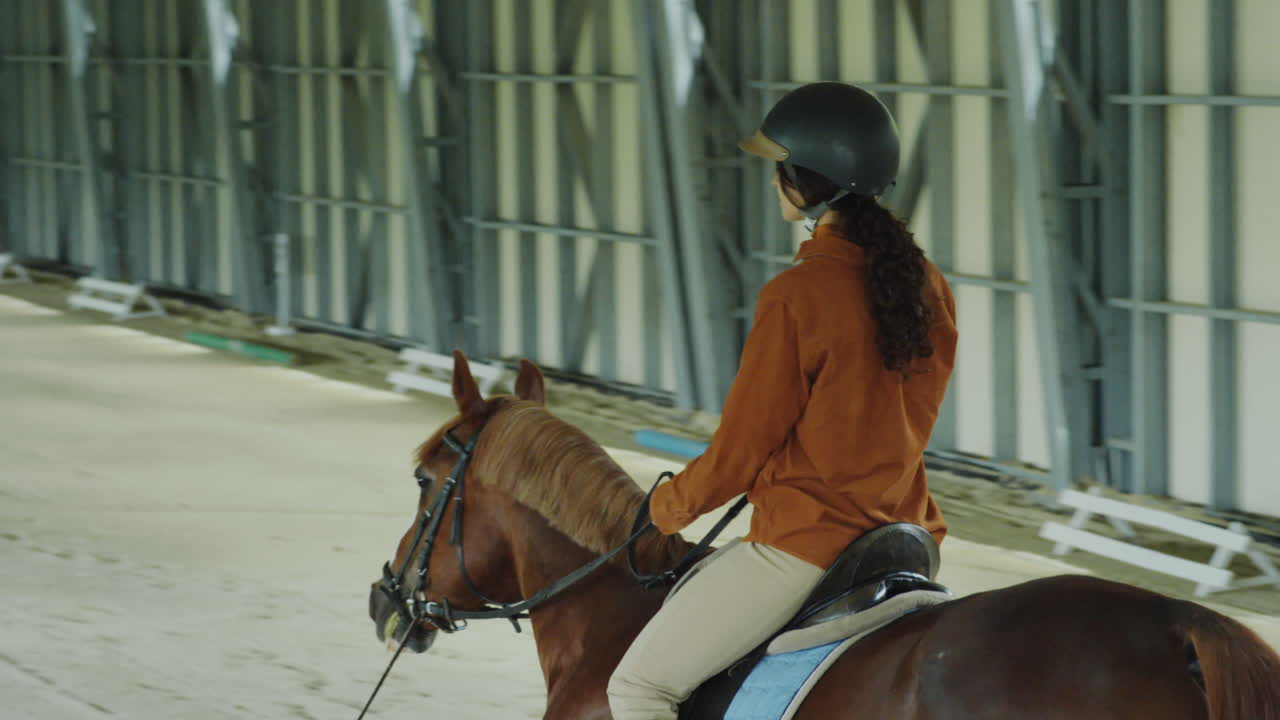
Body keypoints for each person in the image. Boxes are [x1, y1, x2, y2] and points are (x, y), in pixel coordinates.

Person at [606, 81, 959, 719]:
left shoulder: (797, 296)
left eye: (780, 169)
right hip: (904, 535)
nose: (774, 183)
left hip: (808, 543)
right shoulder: (929, 285)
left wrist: (667, 508)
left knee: (637, 689)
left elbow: (741, 451)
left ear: (807, 181)